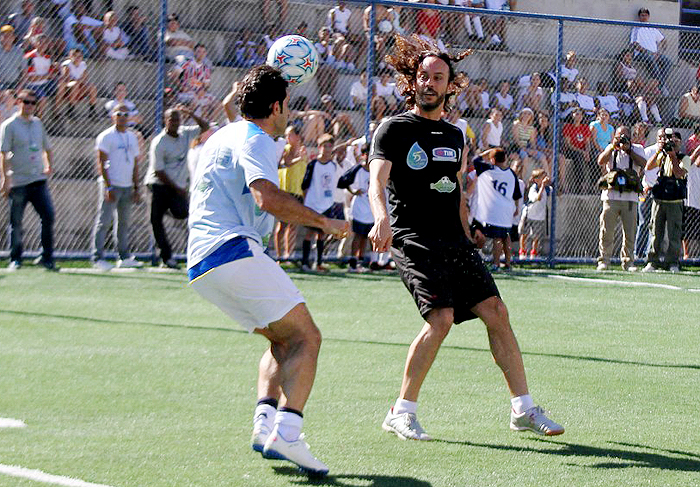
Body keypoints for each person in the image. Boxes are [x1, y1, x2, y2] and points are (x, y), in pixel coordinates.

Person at [368, 34, 563, 441]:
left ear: (449, 85)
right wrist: (381, 218)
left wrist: (469, 229)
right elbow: (377, 181)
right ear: (412, 81)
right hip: (413, 237)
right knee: (440, 320)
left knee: (497, 312)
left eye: (438, 77)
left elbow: (455, 190)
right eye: (423, 76)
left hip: (453, 240)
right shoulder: (393, 129)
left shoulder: (457, 135)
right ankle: (400, 412)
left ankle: (523, 409)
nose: (429, 83)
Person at [187, 64, 348, 476]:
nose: (289, 113)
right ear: (275, 106)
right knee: (307, 337)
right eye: (288, 106)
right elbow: (266, 198)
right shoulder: (257, 138)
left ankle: (264, 425)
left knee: (281, 340)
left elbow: (240, 179)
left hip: (202, 263)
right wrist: (323, 221)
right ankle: (288, 432)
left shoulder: (225, 134)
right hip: (232, 249)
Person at [145, 106, 209, 268]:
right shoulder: (159, 142)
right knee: (156, 221)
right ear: (165, 121)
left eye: (177, 119)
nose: (174, 122)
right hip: (159, 185)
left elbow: (205, 127)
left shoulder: (185, 134)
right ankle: (166, 257)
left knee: (182, 213)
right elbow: (158, 171)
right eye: (171, 119)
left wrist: (191, 114)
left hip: (176, 187)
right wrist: (177, 188)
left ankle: (167, 209)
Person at [0, 89, 56, 271]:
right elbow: (3, 154)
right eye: (26, 102)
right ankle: (16, 259)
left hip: (38, 180)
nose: (29, 106)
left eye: (33, 102)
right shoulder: (9, 125)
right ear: (18, 102)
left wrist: (49, 166)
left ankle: (46, 257)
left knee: (48, 216)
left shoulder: (38, 124)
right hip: (18, 181)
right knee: (16, 222)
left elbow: (47, 147)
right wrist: (5, 180)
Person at [91, 103, 144, 271]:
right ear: (113, 116)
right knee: (104, 221)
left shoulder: (132, 137)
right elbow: (101, 162)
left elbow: (135, 163)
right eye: (119, 113)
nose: (122, 117)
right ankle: (97, 257)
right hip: (112, 184)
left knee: (123, 222)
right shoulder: (106, 136)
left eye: (126, 114)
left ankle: (123, 256)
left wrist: (136, 187)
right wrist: (108, 186)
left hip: (127, 185)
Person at [595, 126, 646, 271]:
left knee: (630, 231)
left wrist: (629, 150)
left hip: (630, 198)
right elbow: (600, 161)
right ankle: (604, 260)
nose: (622, 138)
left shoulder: (637, 148)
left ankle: (628, 261)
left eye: (624, 135)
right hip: (611, 196)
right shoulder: (611, 148)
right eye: (619, 135)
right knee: (606, 230)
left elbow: (644, 164)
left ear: (630, 136)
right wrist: (613, 146)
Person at [643, 130, 688, 272]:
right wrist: (660, 151)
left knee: (674, 233)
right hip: (659, 199)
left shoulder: (684, 157)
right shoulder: (662, 155)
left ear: (680, 143)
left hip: (675, 200)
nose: (672, 143)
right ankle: (653, 260)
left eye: (675, 141)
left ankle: (672, 262)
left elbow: (679, 173)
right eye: (670, 140)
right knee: (656, 230)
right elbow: (648, 166)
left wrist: (673, 156)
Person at [300, 133, 338, 272]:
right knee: (309, 233)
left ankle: (319, 262)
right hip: (313, 205)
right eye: (324, 146)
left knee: (322, 234)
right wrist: (308, 201)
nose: (327, 149)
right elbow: (305, 185)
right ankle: (304, 262)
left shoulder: (333, 166)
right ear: (319, 147)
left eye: (330, 146)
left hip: (326, 204)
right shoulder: (313, 164)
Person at [273, 125, 308, 261]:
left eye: (290, 135)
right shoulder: (285, 150)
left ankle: (289, 254)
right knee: (281, 225)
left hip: (297, 192)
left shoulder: (303, 151)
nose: (287, 138)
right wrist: (299, 158)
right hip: (285, 191)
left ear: (298, 137)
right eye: (286, 135)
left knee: (293, 225)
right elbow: (286, 163)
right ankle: (278, 255)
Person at [630, 8, 671, 93]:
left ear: (648, 16)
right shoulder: (636, 29)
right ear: (639, 17)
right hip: (641, 55)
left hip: (654, 54)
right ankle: (662, 86)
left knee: (667, 61)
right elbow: (635, 44)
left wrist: (659, 52)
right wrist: (650, 53)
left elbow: (663, 40)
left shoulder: (653, 29)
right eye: (642, 15)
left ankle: (659, 85)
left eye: (645, 15)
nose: (644, 17)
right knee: (650, 58)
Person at [55, 47, 98, 118]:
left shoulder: (83, 64)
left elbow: (85, 77)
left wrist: (79, 81)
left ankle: (92, 110)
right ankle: (71, 110)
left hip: (79, 85)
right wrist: (78, 81)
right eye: (75, 56)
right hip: (68, 87)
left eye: (80, 56)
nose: (78, 58)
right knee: (75, 84)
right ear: (70, 56)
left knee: (92, 87)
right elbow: (67, 79)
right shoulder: (67, 65)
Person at [519, 169, 550, 259]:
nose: (545, 179)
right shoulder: (533, 188)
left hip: (539, 216)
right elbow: (538, 198)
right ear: (536, 179)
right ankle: (522, 252)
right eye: (542, 177)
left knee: (536, 237)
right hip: (529, 214)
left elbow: (555, 192)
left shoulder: (547, 188)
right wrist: (543, 186)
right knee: (524, 234)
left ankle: (533, 253)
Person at [562, 108, 592, 194]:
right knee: (578, 156)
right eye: (577, 114)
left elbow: (587, 143)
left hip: (582, 151)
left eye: (580, 114)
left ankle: (593, 185)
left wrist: (587, 152)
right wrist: (582, 152)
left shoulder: (585, 127)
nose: (579, 116)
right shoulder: (568, 126)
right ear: (572, 115)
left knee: (593, 157)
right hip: (570, 151)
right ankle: (580, 184)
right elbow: (568, 145)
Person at [684, 144, 700, 258]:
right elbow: (689, 160)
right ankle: (686, 254)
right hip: (690, 203)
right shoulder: (690, 166)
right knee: (686, 231)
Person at [0, 25, 24, 91]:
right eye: (4, 35)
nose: (7, 38)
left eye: (10, 35)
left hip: (15, 84)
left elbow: (25, 72)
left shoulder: (19, 51)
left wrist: (20, 86)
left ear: (14, 38)